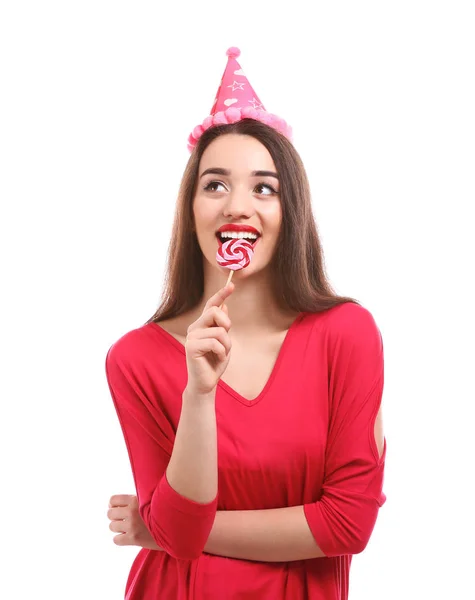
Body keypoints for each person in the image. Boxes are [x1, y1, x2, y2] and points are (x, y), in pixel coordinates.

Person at [104, 47, 386, 600]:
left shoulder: (346, 335)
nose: (238, 206)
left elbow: (348, 526)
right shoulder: (135, 358)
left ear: (291, 210)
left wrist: (160, 529)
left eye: (264, 187)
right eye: (214, 185)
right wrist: (199, 393)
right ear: (192, 210)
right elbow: (179, 536)